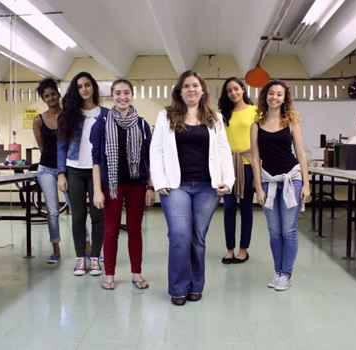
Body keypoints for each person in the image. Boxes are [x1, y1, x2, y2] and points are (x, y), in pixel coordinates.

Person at [150, 70, 235, 306]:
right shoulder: (165, 116)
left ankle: (195, 285)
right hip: (176, 186)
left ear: (202, 90)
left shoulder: (214, 118)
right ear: (180, 91)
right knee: (179, 235)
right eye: (186, 86)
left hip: (207, 187)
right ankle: (178, 288)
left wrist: (228, 180)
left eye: (195, 86)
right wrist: (160, 181)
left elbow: (223, 150)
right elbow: (156, 150)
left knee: (198, 238)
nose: (191, 90)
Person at [91, 79, 154, 290]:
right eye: (118, 93)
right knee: (111, 230)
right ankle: (109, 274)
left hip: (137, 184)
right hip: (112, 185)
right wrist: (98, 190)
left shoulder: (142, 124)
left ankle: (137, 273)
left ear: (132, 95)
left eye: (126, 93)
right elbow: (96, 159)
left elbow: (149, 158)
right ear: (112, 96)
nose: (122, 97)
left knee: (135, 230)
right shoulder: (102, 122)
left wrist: (150, 187)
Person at [250, 80, 311, 291]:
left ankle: (286, 274)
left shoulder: (291, 123)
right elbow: (255, 159)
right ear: (265, 96)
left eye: (279, 94)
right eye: (271, 93)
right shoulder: (256, 126)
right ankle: (278, 272)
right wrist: (258, 187)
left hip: (291, 180)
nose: (274, 97)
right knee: (274, 231)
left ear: (284, 99)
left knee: (289, 230)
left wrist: (306, 184)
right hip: (269, 182)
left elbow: (301, 154)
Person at [57, 72, 108, 276]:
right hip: (74, 169)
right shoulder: (68, 115)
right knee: (78, 216)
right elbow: (61, 146)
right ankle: (80, 258)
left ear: (93, 87)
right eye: (80, 86)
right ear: (76, 91)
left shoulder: (106, 114)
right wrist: (61, 174)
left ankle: (95, 258)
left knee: (98, 215)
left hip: (98, 171)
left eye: (88, 85)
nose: (84, 89)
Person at [218, 77, 257, 264]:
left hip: (249, 164)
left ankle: (243, 249)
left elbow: (260, 138)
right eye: (229, 91)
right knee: (229, 207)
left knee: (246, 207)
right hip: (229, 166)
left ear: (243, 89)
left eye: (236, 89)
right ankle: (229, 249)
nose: (233, 93)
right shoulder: (224, 114)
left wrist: (253, 151)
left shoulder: (254, 111)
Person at [33, 78, 63, 264]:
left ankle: (85, 246)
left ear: (58, 94)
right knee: (52, 211)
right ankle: (56, 249)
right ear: (44, 99)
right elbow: (42, 147)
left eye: (53, 94)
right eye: (47, 96)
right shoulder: (38, 120)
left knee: (76, 208)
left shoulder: (68, 116)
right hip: (46, 169)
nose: (51, 97)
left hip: (66, 169)